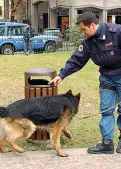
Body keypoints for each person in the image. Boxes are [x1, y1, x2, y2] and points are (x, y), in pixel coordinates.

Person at [49, 11, 121, 154]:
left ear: (93, 25)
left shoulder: (117, 32)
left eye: (84, 29)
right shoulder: (88, 42)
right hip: (106, 76)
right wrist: (61, 75)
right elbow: (77, 60)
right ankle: (107, 143)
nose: (83, 33)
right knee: (106, 110)